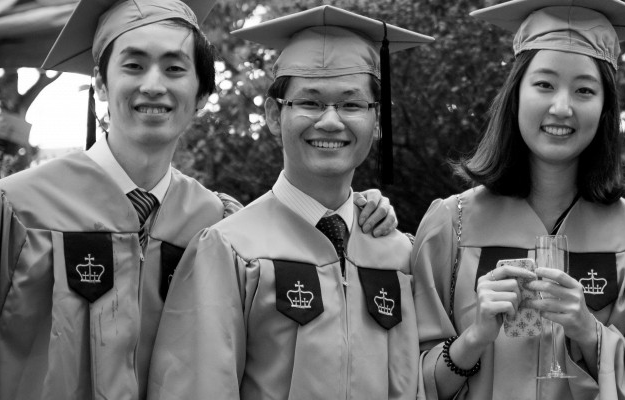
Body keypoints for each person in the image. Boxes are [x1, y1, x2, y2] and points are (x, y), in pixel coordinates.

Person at [0, 0, 394, 398]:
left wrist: (363, 210)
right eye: (133, 65)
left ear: (201, 93)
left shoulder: (216, 223)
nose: (153, 85)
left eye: (174, 68)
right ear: (101, 84)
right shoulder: (15, 209)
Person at [145, 5, 432, 399]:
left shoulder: (399, 254)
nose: (331, 122)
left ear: (377, 120)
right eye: (310, 103)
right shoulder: (229, 249)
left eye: (351, 105)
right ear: (273, 115)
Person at [408, 0, 625, 398]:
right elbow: (405, 378)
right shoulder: (453, 224)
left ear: (605, 108)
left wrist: (589, 333)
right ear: (516, 94)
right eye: (544, 84)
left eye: (584, 90)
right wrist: (474, 338)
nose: (561, 107)